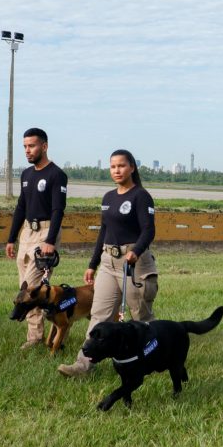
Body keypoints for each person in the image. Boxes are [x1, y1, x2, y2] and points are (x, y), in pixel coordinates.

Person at [59, 149, 157, 377]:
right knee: (99, 315)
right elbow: (104, 231)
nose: (117, 170)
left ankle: (152, 358)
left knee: (141, 317)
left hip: (134, 262)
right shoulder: (108, 198)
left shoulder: (141, 196)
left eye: (121, 166)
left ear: (132, 167)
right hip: (107, 262)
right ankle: (82, 365)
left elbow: (149, 230)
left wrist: (136, 251)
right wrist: (92, 264)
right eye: (113, 167)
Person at [6, 127, 68, 349]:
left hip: (45, 232)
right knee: (25, 287)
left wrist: (50, 241)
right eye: (24, 146)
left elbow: (58, 210)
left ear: (44, 146)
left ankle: (35, 338)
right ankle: (44, 333)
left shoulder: (56, 174)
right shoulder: (26, 174)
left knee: (33, 288)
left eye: (31, 146)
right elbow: (21, 206)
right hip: (27, 232)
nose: (27, 150)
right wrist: (11, 238)